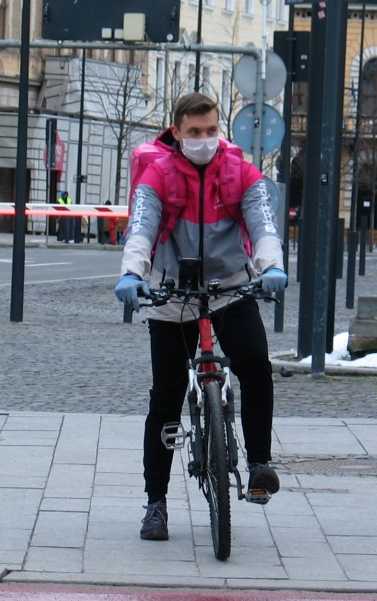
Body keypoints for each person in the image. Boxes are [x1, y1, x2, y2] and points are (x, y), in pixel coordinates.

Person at [114, 93, 287, 541]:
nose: (205, 140)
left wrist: (271, 267)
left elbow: (263, 223)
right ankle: (156, 504)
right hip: (172, 295)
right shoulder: (159, 174)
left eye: (212, 131)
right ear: (177, 133)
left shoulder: (240, 172)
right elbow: (141, 227)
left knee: (255, 365)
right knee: (167, 397)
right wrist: (132, 275)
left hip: (230, 288)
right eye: (194, 133)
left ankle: (260, 464)